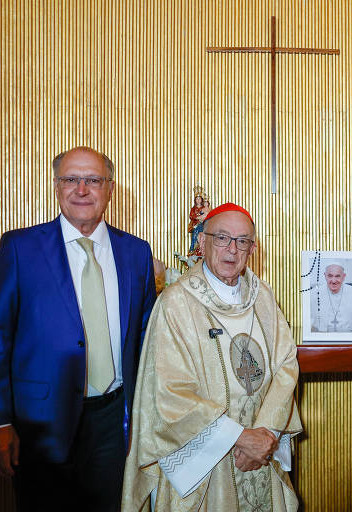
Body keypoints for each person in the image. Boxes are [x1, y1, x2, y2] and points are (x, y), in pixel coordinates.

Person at [0, 146, 158, 512]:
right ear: (56, 186)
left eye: (92, 180)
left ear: (109, 188)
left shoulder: (136, 253)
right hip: (41, 423)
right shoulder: (20, 248)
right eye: (70, 179)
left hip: (114, 418)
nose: (81, 189)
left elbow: (146, 339)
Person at [122, 202, 302, 511]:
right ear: (202, 242)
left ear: (253, 248)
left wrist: (266, 433)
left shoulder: (263, 297)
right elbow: (168, 392)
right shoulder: (176, 303)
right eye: (222, 238)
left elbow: (286, 365)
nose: (232, 249)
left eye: (242, 241)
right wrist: (239, 437)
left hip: (260, 452)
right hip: (206, 463)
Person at [311, 262, 352, 332]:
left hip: (349, 339)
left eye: (337, 276)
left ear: (343, 276)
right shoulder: (314, 294)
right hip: (322, 339)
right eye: (330, 276)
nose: (334, 281)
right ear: (325, 276)